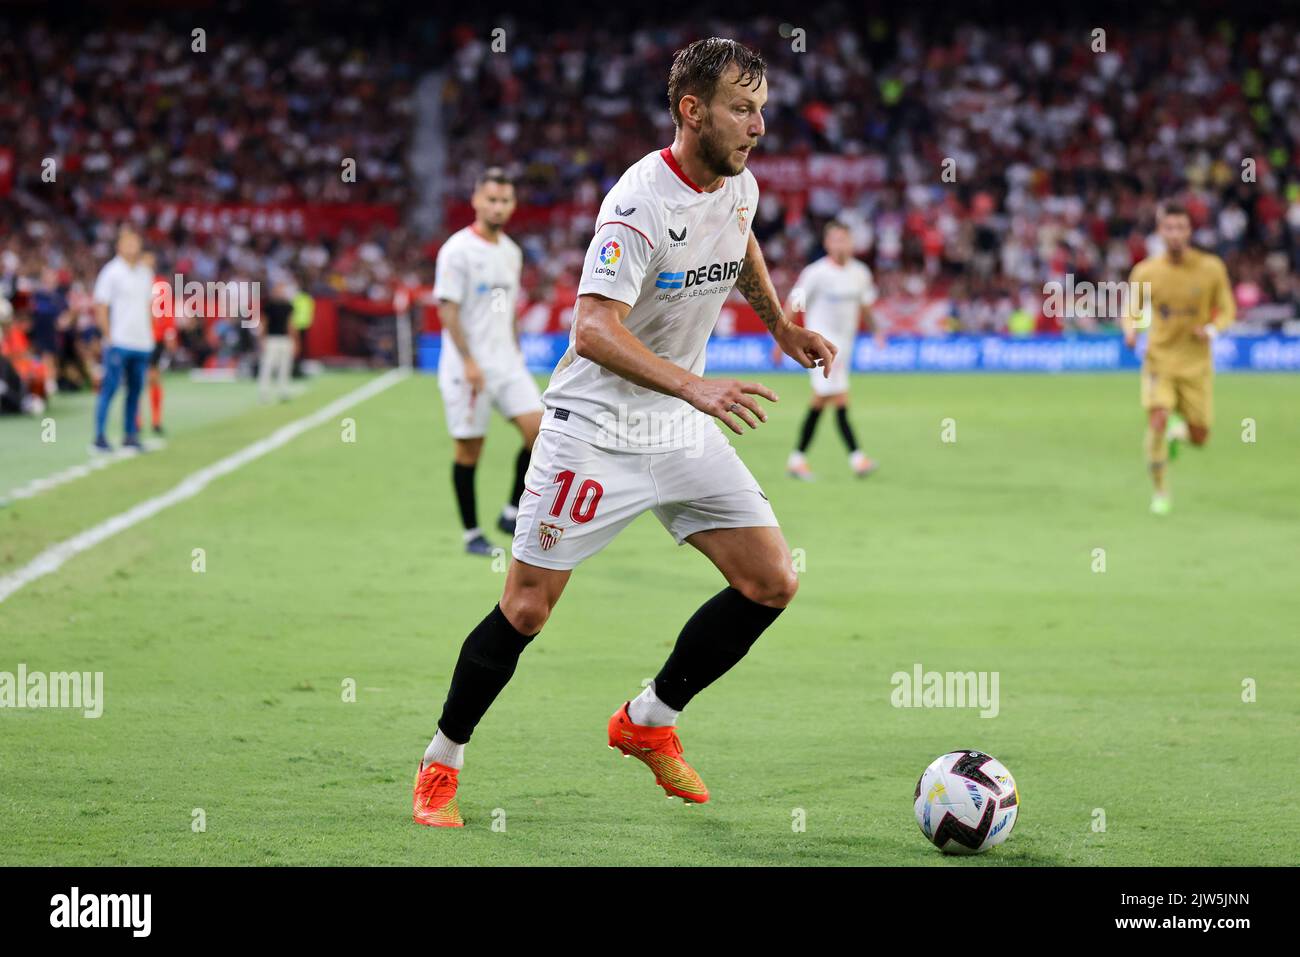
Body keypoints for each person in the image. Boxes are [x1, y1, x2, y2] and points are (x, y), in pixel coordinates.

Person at [412, 38, 836, 827]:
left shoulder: (736, 184)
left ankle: (647, 719)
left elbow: (738, 240)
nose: (759, 126)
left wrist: (779, 324)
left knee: (771, 580)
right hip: (594, 431)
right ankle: (441, 762)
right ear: (692, 110)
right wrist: (695, 384)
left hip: (677, 427)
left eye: (762, 109)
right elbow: (592, 329)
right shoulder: (638, 202)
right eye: (742, 109)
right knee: (527, 607)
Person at [433, 167, 544, 557]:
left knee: (541, 432)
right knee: (469, 452)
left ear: (512, 205)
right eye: (491, 199)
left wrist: (515, 349)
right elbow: (448, 310)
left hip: (507, 363)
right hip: (469, 368)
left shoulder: (511, 252)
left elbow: (508, 308)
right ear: (476, 201)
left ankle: (511, 511)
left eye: (505, 200)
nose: (498, 207)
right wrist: (468, 362)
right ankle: (471, 534)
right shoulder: (457, 250)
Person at [1122, 203, 1235, 515]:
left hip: (1196, 363)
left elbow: (1228, 310)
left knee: (1200, 436)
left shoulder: (1211, 268)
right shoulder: (1146, 271)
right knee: (1157, 419)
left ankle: (1179, 433)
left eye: (1180, 228)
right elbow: (1130, 309)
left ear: (1190, 231)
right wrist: (1130, 331)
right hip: (1159, 359)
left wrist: (1212, 329)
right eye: (1168, 228)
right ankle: (1160, 493)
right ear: (1160, 231)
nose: (1174, 234)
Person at [782, 220, 883, 481]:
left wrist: (877, 330)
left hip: (846, 347)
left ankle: (798, 459)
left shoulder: (860, 273)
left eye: (844, 239)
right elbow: (796, 302)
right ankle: (856, 458)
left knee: (824, 400)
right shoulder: (816, 273)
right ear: (827, 243)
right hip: (822, 347)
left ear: (852, 242)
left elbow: (865, 306)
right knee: (836, 399)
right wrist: (780, 336)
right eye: (835, 239)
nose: (840, 244)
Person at [91, 225, 155, 453]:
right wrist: (109, 338)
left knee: (135, 391)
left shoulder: (145, 273)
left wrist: (151, 336)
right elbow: (101, 307)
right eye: (128, 242)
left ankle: (130, 435)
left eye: (135, 242)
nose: (132, 247)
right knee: (110, 389)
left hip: (142, 342)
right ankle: (99, 436)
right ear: (119, 246)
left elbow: (148, 307)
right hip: (119, 341)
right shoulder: (111, 272)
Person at [258, 280, 295, 403]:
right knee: (268, 366)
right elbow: (264, 323)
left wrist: (294, 340)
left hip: (285, 339)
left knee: (285, 366)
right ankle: (264, 392)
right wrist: (262, 339)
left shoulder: (288, 306)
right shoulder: (269, 306)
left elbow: (290, 324)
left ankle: (283, 391)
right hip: (271, 339)